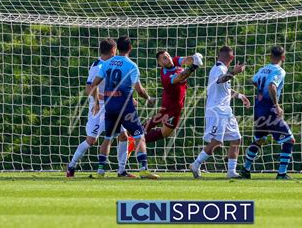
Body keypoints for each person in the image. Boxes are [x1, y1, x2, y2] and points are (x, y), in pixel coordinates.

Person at [90, 36, 158, 179]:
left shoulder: (107, 64)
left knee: (108, 137)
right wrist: (149, 98)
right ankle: (144, 169)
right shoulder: (131, 65)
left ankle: (101, 171)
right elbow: (139, 90)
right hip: (124, 106)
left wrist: (98, 100)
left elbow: (94, 83)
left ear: (117, 48)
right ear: (130, 48)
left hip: (109, 106)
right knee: (139, 135)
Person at [66, 38, 133, 178]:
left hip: (114, 106)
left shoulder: (112, 64)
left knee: (123, 135)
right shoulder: (98, 66)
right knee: (91, 140)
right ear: (113, 50)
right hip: (98, 108)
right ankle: (71, 165)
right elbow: (89, 88)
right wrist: (98, 101)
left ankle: (121, 171)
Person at [190, 46, 250, 179]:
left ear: (219, 55)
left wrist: (240, 96)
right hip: (217, 111)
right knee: (217, 142)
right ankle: (196, 164)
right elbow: (220, 80)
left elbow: (225, 90)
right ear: (232, 58)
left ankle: (231, 171)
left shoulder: (223, 69)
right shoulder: (218, 69)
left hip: (226, 111)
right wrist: (234, 73)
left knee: (236, 139)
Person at [239, 46, 295, 180]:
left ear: (270, 56)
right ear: (283, 57)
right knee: (290, 140)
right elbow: (272, 86)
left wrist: (260, 90)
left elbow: (253, 80)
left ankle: (245, 169)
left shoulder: (263, 69)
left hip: (258, 109)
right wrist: (276, 105)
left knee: (259, 140)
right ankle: (281, 174)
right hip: (270, 110)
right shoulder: (279, 70)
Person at [143, 51, 203, 144]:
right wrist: (194, 66)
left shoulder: (173, 61)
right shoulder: (166, 76)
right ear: (160, 63)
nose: (168, 58)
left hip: (174, 104)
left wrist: (194, 57)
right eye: (164, 58)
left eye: (168, 55)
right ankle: (136, 140)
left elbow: (186, 60)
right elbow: (181, 76)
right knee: (165, 132)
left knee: (161, 121)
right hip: (171, 107)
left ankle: (137, 133)